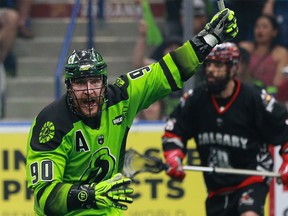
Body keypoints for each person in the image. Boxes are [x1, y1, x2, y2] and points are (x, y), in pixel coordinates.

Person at [25, 7, 238, 215]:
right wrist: (89, 194)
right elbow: (46, 198)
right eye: (80, 83)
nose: (89, 91)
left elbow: (165, 72)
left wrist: (209, 38)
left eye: (94, 81)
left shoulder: (121, 97)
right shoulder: (51, 123)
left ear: (104, 82)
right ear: (69, 87)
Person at [161, 42, 288, 216]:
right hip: (217, 188)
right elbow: (174, 131)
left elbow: (284, 129)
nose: (211, 70)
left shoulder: (254, 99)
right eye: (209, 64)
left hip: (252, 176)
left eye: (218, 65)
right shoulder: (196, 99)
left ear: (234, 69)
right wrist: (174, 155)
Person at [239, 14, 288, 102]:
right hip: (245, 97)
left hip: (270, 99)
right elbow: (238, 76)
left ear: (274, 32)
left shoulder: (280, 53)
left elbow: (278, 85)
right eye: (257, 26)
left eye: (264, 27)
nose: (259, 30)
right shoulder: (245, 48)